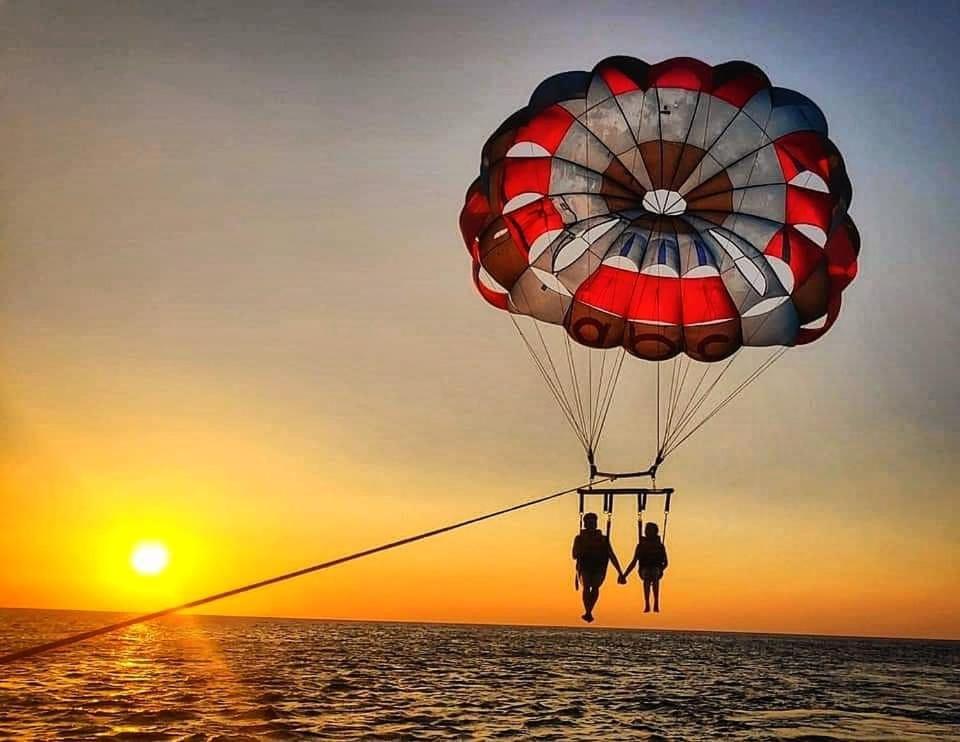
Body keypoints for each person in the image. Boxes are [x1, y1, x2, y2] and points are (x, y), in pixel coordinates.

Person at [571, 513, 623, 623]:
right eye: (588, 523)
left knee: (595, 587)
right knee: (586, 586)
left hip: (599, 567)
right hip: (584, 566)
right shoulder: (579, 538)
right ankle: (588, 611)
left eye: (593, 522)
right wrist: (584, 551)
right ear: (585, 524)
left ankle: (589, 611)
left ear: (596, 523)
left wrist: (620, 572)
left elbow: (611, 555)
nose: (591, 525)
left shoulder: (603, 539)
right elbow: (574, 555)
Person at [622, 522, 669, 613]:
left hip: (657, 569)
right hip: (644, 569)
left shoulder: (660, 546)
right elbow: (634, 562)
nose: (647, 532)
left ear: (655, 532)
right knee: (647, 575)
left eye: (649, 530)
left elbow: (666, 562)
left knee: (654, 573)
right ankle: (647, 603)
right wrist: (625, 575)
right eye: (646, 530)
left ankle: (656, 602)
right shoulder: (641, 545)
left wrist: (661, 569)